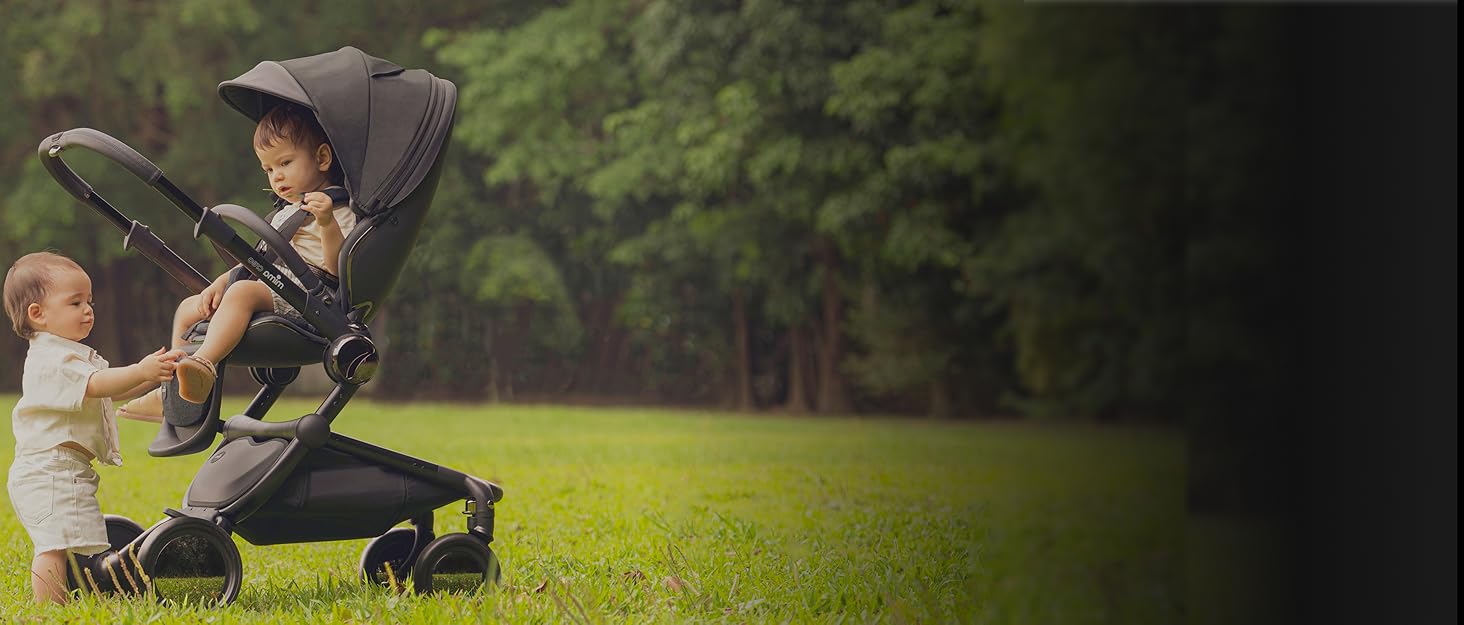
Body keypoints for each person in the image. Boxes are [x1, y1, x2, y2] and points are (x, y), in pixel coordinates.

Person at [119, 102, 356, 416]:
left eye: (285, 162)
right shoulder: (286, 212)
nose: (277, 176)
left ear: (322, 158)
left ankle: (205, 363)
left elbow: (337, 268)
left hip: (313, 299)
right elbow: (260, 258)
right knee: (189, 307)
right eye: (268, 169)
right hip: (274, 284)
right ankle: (171, 392)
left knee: (243, 293)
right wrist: (223, 282)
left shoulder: (337, 210)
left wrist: (326, 224)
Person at [3, 251, 185, 604]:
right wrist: (141, 369)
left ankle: (61, 599)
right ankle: (49, 610)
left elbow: (109, 391)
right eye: (75, 303)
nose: (88, 310)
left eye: (89, 301)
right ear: (38, 314)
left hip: (60, 469)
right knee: (53, 546)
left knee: (62, 542)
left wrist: (155, 378)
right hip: (49, 471)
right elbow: (98, 384)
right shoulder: (51, 359)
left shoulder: (69, 354)